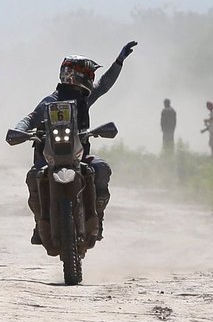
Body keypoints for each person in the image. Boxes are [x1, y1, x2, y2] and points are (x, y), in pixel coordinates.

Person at [10, 41, 137, 244]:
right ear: (78, 75)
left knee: (101, 168)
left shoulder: (83, 99)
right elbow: (29, 118)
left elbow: (104, 84)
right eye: (88, 74)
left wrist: (119, 62)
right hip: (49, 157)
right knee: (34, 175)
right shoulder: (49, 102)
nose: (91, 78)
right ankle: (38, 222)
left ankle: (98, 218)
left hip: (79, 155)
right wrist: (20, 130)